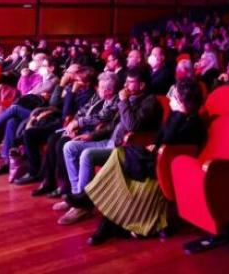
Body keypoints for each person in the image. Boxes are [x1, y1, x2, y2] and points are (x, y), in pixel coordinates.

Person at [84, 77, 207, 245]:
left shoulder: (192, 121)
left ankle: (90, 203)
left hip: (165, 168)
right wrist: (156, 145)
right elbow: (160, 138)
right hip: (155, 160)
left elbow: (169, 143)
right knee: (120, 154)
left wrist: (178, 114)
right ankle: (104, 220)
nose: (171, 98)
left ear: (183, 101)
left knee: (121, 154)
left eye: (175, 96)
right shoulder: (178, 116)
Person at [57, 67, 162, 225]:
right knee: (70, 146)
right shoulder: (128, 98)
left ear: (141, 86)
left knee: (87, 155)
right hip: (109, 141)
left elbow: (132, 125)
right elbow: (112, 127)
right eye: (125, 81)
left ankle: (83, 206)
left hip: (123, 148)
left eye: (130, 82)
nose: (125, 85)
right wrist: (91, 136)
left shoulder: (150, 102)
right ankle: (77, 196)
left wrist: (124, 101)